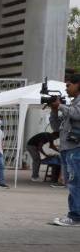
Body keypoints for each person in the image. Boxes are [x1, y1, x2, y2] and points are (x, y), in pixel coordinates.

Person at [48, 73, 80, 226]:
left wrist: (60, 105)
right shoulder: (72, 103)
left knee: (75, 183)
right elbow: (56, 128)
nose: (66, 88)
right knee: (72, 183)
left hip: (76, 149)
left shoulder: (75, 105)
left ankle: (75, 217)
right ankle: (74, 215)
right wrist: (54, 110)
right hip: (68, 149)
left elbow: (77, 114)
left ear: (78, 84)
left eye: (68, 85)